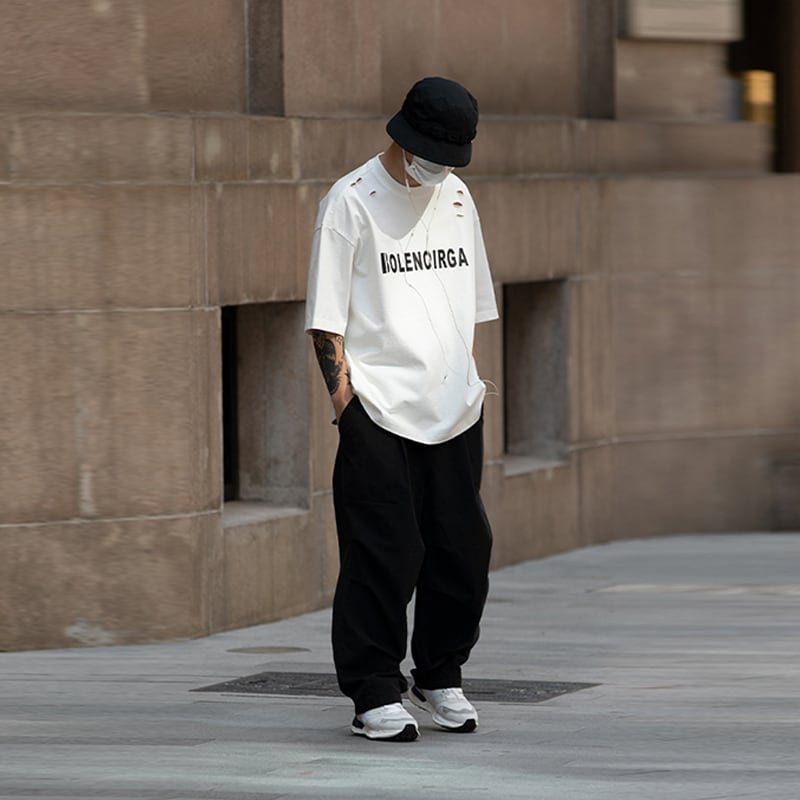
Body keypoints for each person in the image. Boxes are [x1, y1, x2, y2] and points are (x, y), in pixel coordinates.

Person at [305, 76, 498, 742]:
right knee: (382, 553)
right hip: (379, 411)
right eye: (434, 155)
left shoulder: (457, 196)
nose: (440, 169)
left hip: (455, 408)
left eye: (452, 157)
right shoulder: (350, 202)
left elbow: (469, 303)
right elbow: (325, 321)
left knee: (463, 552)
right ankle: (373, 691)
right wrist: (348, 412)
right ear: (405, 138)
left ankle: (440, 675)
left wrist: (464, 381)